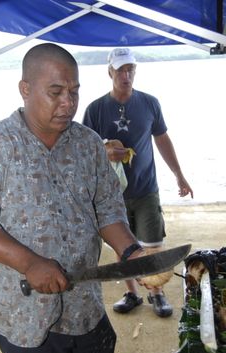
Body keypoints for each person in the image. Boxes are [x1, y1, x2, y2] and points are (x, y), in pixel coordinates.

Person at [0, 43, 171, 353]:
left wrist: (131, 252)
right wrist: (29, 263)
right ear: (25, 89)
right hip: (27, 317)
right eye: (56, 92)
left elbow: (107, 208)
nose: (68, 102)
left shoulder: (89, 144)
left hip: (86, 309)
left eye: (74, 92)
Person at [82, 47, 194, 318]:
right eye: (120, 69)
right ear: (109, 72)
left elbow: (162, 139)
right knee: (124, 247)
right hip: (111, 194)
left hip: (146, 189)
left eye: (130, 68)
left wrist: (179, 175)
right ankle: (132, 292)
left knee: (153, 244)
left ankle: (157, 293)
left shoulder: (150, 103)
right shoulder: (95, 109)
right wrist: (105, 151)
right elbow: (83, 150)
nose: (126, 74)